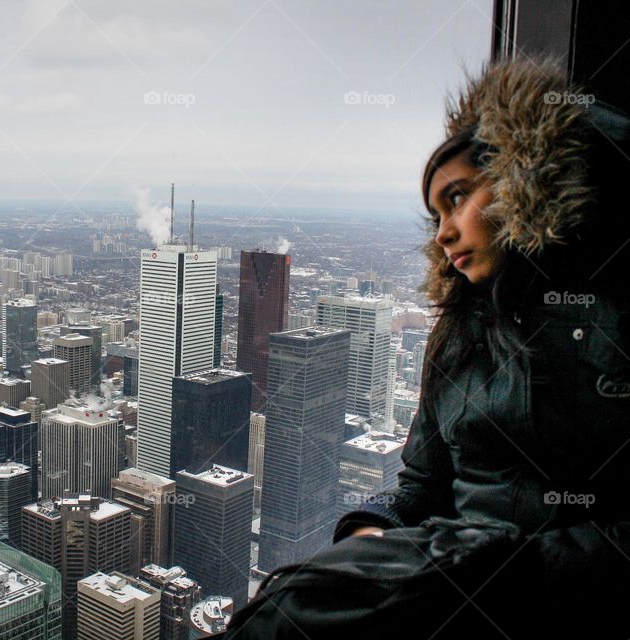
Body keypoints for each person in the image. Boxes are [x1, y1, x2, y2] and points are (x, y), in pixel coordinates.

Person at [225, 58, 630, 638]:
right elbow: (423, 484)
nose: (443, 232)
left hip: (543, 606)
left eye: (458, 197)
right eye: (435, 214)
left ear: (527, 182)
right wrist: (371, 539)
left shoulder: (617, 317)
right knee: (285, 610)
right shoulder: (463, 332)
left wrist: (494, 574)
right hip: (455, 589)